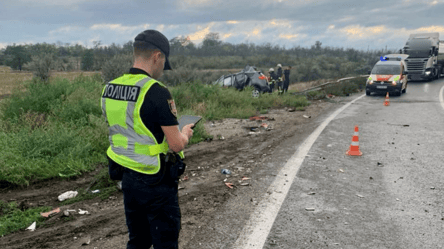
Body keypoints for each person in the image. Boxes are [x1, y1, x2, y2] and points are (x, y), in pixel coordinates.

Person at [101, 29, 194, 249]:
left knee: (138, 240)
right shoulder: (156, 91)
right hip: (155, 180)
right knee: (165, 242)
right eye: (164, 62)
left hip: (127, 177)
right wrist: (186, 133)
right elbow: (176, 144)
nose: (163, 69)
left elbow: (129, 129)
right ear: (157, 56)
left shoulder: (110, 88)